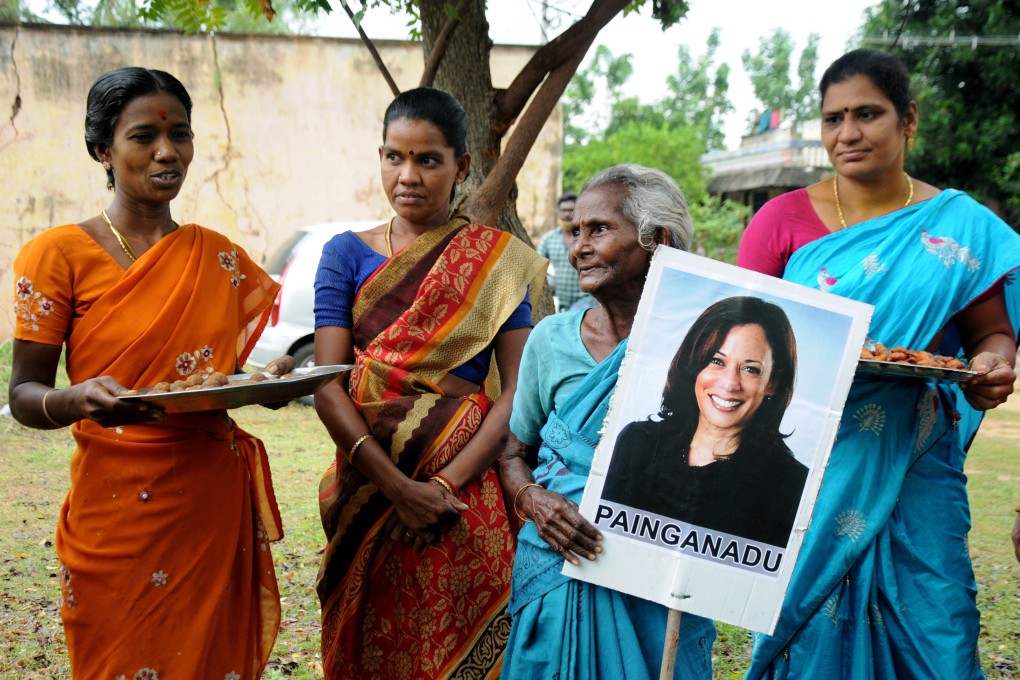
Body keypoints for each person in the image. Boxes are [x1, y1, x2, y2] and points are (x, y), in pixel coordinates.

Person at [737, 48, 1020, 679]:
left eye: (867, 114)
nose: (848, 133)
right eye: (833, 118)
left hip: (919, 461)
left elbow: (993, 334)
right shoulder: (779, 221)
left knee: (939, 631)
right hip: (811, 459)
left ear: (908, 118)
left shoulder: (959, 227)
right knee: (809, 629)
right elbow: (742, 342)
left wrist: (990, 369)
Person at [9, 67, 289, 678]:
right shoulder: (58, 254)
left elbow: (211, 374)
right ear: (102, 150)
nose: (168, 152)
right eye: (143, 137)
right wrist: (76, 398)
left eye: (181, 135)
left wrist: (267, 381)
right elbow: (25, 394)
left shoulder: (217, 257)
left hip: (207, 504)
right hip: (115, 510)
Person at [312, 87, 546, 679]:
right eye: (394, 157)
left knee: (458, 641)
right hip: (370, 485)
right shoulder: (344, 255)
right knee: (372, 645)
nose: (407, 175)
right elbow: (327, 382)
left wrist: (442, 485)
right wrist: (397, 488)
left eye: (428, 160)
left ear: (461, 167)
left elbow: (517, 390)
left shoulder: (495, 261)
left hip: (463, 496)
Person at [499, 163, 716, 679]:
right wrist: (533, 499)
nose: (578, 248)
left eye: (599, 229)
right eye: (576, 232)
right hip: (558, 569)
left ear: (657, 240)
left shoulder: (707, 350)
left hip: (662, 579)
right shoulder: (550, 340)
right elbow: (512, 453)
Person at [602, 296, 807, 547]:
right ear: (693, 365)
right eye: (717, 361)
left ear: (773, 383)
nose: (730, 383)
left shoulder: (793, 484)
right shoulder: (637, 442)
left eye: (751, 369)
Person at [537, 191, 593, 312]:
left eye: (571, 210)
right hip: (562, 303)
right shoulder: (549, 239)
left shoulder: (590, 238)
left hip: (586, 299)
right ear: (558, 212)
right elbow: (536, 267)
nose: (567, 214)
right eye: (563, 210)